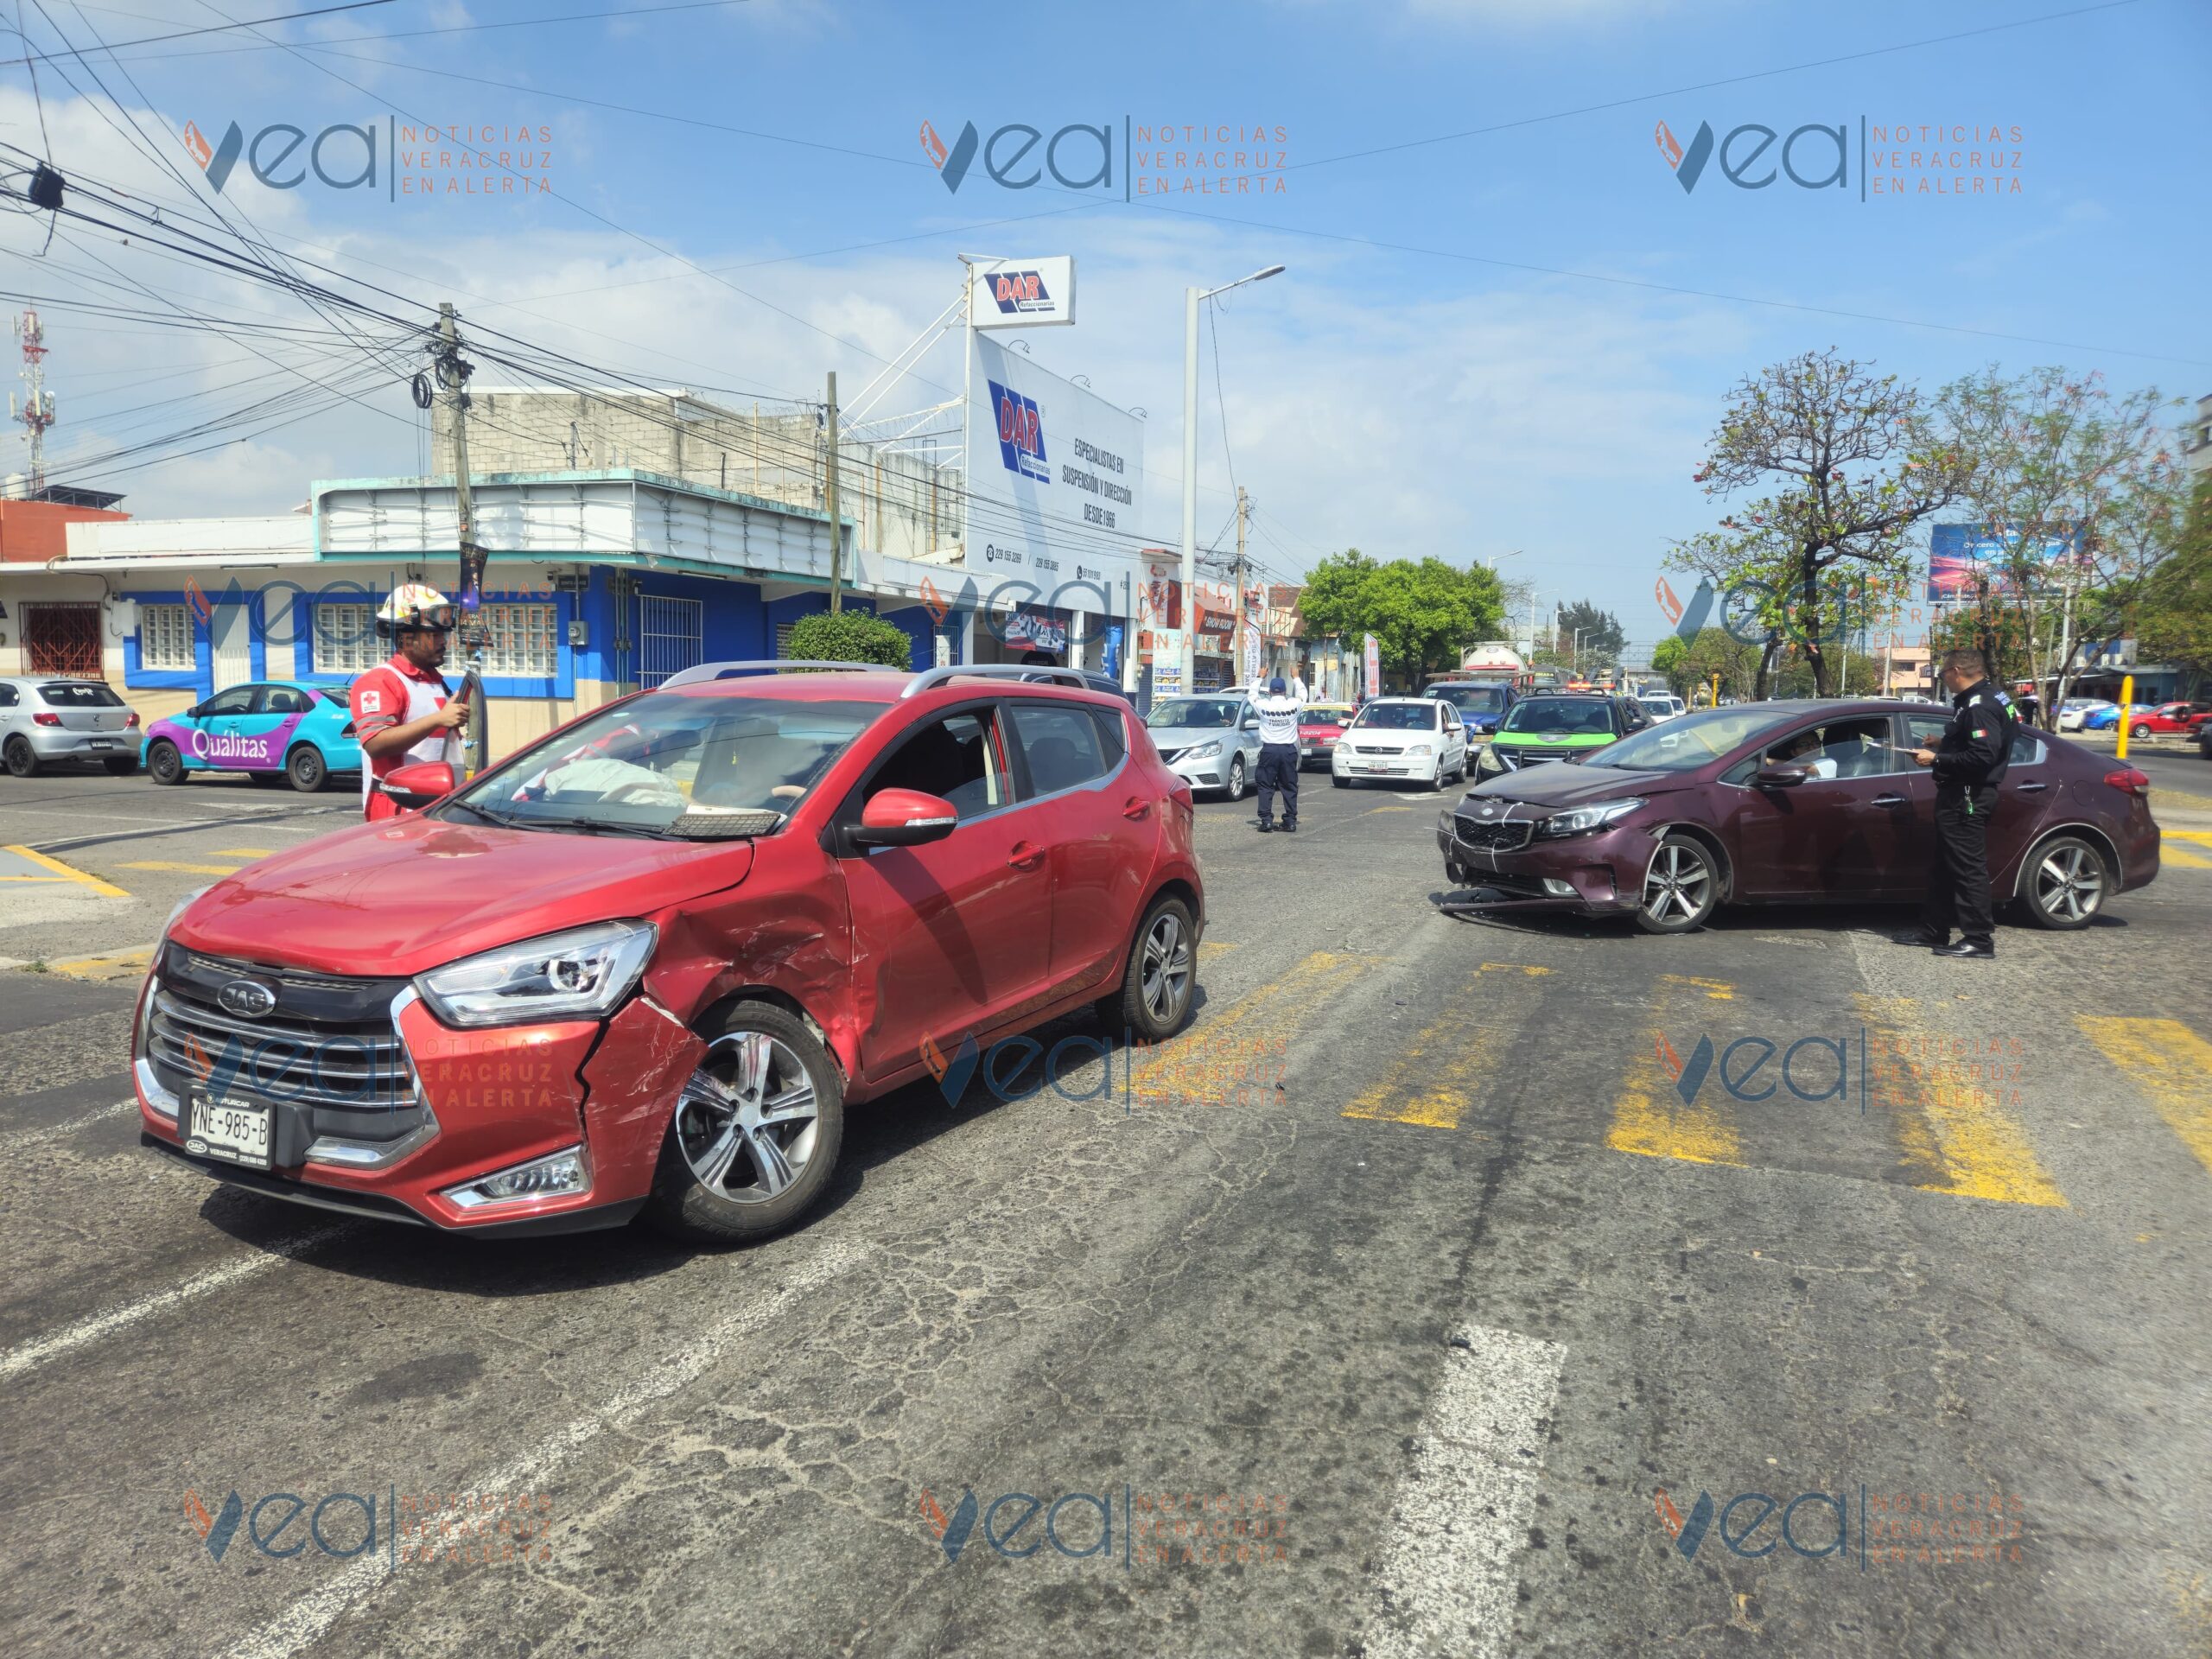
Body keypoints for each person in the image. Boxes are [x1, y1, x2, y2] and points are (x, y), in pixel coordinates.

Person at [1905, 647, 2018, 959]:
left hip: (1968, 794)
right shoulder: (1993, 697)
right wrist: (1945, 743)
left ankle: (1979, 940)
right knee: (1945, 866)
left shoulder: (1979, 705)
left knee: (1968, 869)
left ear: (1956, 671)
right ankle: (1933, 930)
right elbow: (1987, 741)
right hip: (1962, 792)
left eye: (1943, 672)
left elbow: (1983, 755)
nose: (1943, 678)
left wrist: (1936, 759)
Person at [350, 582, 469, 821]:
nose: (443, 642)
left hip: (440, 806)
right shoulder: (381, 681)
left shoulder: (435, 682)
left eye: (444, 635)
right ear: (406, 637)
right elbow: (375, 743)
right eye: (434, 635)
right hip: (399, 808)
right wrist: (438, 719)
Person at [1251, 674, 1303, 833]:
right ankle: (1290, 821)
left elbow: (1251, 695)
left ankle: (1267, 821)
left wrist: (1259, 677)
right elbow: (1303, 694)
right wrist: (1296, 677)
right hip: (1288, 750)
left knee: (1265, 785)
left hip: (1269, 750)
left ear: (1270, 692)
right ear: (1285, 692)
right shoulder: (1293, 704)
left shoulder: (1263, 705)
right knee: (1289, 786)